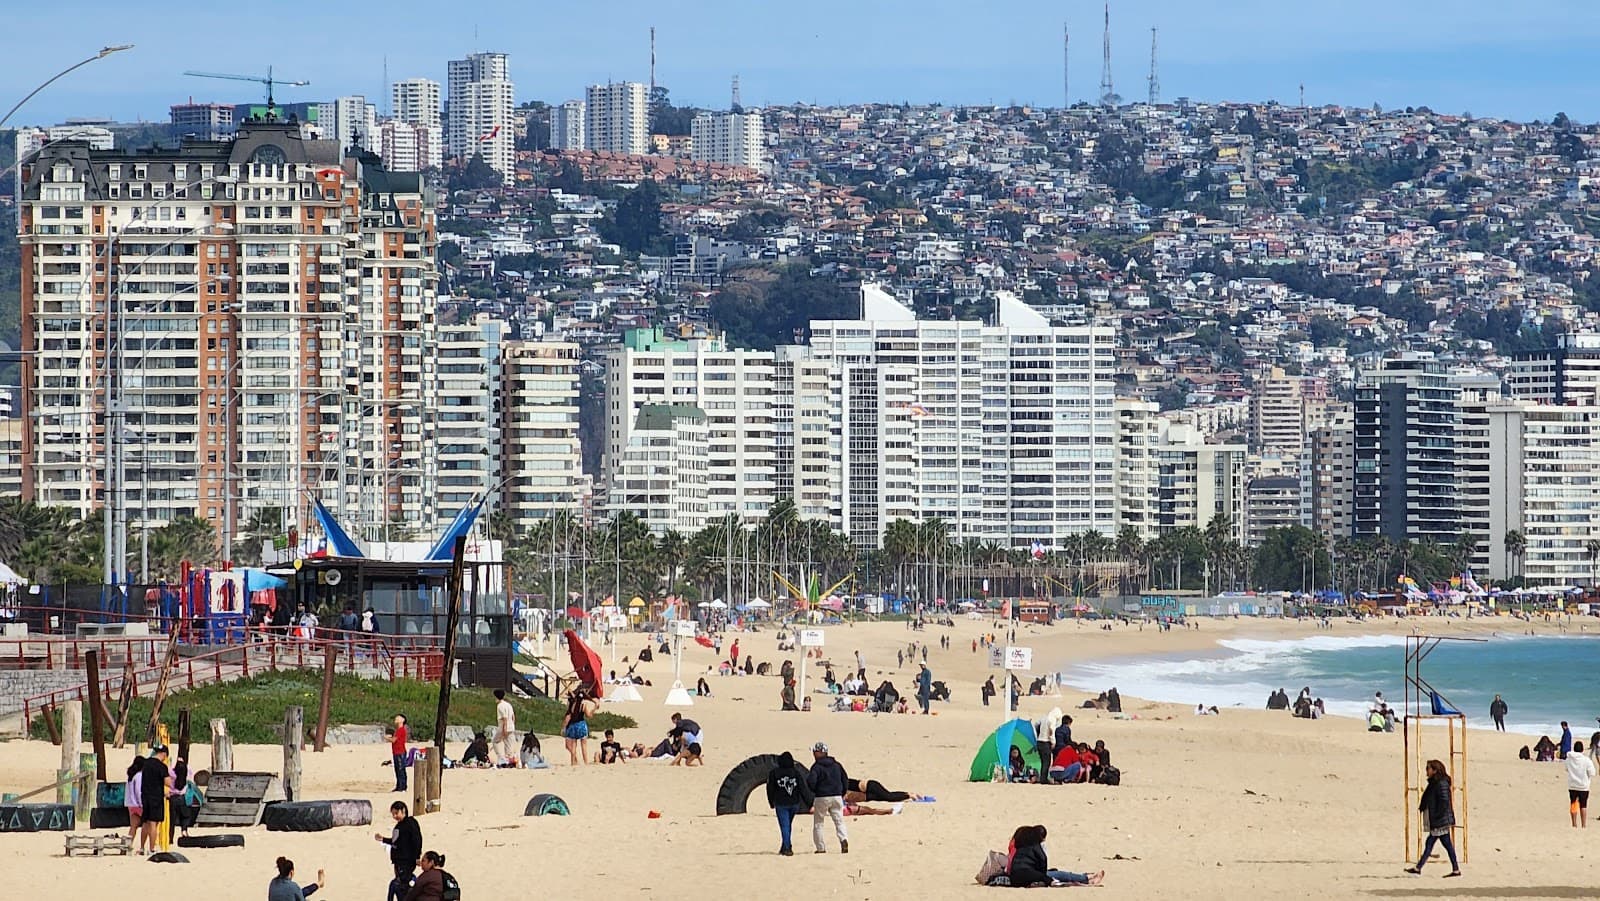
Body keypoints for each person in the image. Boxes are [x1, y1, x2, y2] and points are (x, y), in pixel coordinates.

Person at [1406, 759, 1460, 878]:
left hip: (1440, 820)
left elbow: (1444, 802)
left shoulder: (1441, 783)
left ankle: (1418, 868)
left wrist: (1437, 816)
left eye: (1428, 768)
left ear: (1435, 770)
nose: (1426, 771)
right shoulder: (1435, 783)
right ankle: (1455, 869)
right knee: (1444, 844)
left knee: (1431, 843)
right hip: (1439, 820)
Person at [1007, 824, 1105, 887]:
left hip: (1014, 874)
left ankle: (1087, 877)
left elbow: (1012, 857)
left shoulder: (1019, 844)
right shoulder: (1035, 845)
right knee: (1059, 874)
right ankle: (1087, 878)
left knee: (1055, 872)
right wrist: (1043, 872)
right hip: (1029, 875)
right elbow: (1043, 859)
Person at [766, 751, 814, 856]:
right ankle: (784, 846)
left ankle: (787, 848)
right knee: (787, 825)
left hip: (781, 804)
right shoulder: (796, 773)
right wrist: (810, 804)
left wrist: (771, 802)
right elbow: (803, 789)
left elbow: (770, 789)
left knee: (785, 826)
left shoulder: (774, 773)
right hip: (794, 804)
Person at [807, 741, 849, 854]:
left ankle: (821, 848)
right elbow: (845, 779)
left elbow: (811, 781)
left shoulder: (816, 767)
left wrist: (815, 791)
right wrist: (843, 792)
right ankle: (843, 839)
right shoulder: (836, 765)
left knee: (818, 823)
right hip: (836, 796)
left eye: (814, 752)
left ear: (818, 753)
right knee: (839, 821)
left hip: (822, 796)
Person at [377, 801, 422, 901]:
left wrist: (417, 857)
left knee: (402, 884)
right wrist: (383, 839)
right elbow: (396, 842)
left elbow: (417, 840)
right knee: (402, 882)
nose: (395, 816)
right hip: (399, 861)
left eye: (396, 813)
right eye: (393, 814)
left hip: (406, 861)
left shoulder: (410, 823)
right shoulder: (399, 826)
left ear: (403, 811)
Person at [138, 744, 171, 854]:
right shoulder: (161, 766)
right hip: (156, 797)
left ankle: (142, 847)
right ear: (164, 754)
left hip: (145, 795)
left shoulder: (146, 763)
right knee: (153, 824)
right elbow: (168, 782)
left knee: (145, 823)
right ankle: (151, 848)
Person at [561, 689, 595, 765]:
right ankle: (586, 762)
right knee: (584, 745)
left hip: (573, 726)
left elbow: (568, 716)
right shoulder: (583, 704)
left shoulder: (573, 704)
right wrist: (594, 709)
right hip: (581, 725)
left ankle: (573, 762)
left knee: (573, 745)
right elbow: (588, 715)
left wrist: (563, 727)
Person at [1567, 739, 1596, 828]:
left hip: (1572, 785)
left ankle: (1574, 823)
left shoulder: (1569, 759)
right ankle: (1583, 824)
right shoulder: (1586, 760)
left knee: (1573, 804)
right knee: (1583, 805)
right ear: (1582, 750)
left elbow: (1566, 769)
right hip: (1583, 786)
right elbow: (1592, 773)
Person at [124, 755, 146, 853]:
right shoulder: (139, 776)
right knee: (146, 824)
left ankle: (128, 845)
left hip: (130, 804)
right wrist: (142, 803)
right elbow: (139, 791)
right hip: (138, 804)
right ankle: (142, 846)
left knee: (133, 827)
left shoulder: (130, 776)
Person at [845, 778, 924, 803]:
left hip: (870, 786)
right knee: (886, 797)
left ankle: (909, 794)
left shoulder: (840, 785)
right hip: (867, 794)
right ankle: (908, 795)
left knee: (889, 796)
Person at [494, 689, 517, 767]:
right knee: (508, 745)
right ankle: (509, 760)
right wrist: (512, 725)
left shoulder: (500, 706)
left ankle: (501, 758)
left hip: (503, 727)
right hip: (511, 727)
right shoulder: (508, 704)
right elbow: (513, 717)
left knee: (495, 742)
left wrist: (504, 729)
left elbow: (504, 718)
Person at [391, 714, 410, 792]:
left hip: (400, 752)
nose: (396, 718)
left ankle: (403, 787)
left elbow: (394, 740)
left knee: (401, 769)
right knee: (397, 769)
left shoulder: (401, 730)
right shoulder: (398, 730)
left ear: (402, 720)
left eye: (398, 717)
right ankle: (399, 786)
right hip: (396, 752)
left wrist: (387, 738)